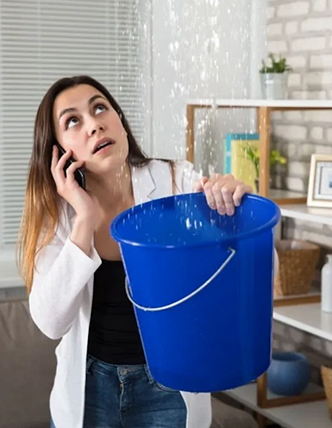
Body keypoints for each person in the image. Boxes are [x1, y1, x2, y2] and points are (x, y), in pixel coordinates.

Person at [18, 75, 253, 428]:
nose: (94, 124)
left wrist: (237, 210)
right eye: (73, 121)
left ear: (122, 125)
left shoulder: (178, 183)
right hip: (89, 390)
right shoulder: (57, 215)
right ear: (58, 152)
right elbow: (52, 323)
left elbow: (250, 271)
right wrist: (85, 220)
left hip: (169, 386)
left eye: (100, 108)